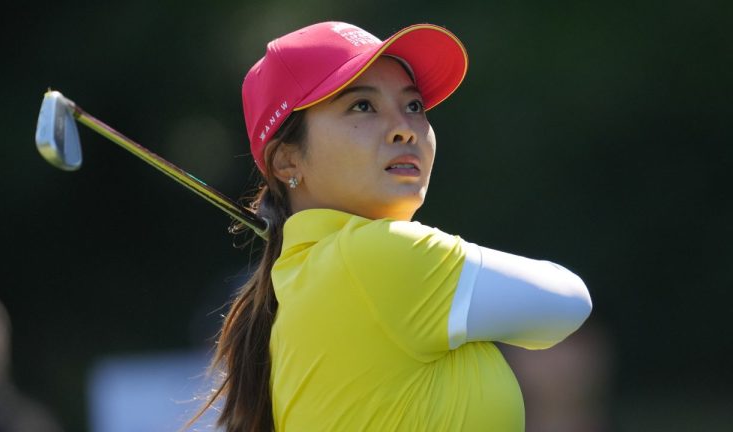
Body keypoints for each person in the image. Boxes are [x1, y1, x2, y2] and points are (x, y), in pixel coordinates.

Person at [192, 21, 592, 431]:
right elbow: (568, 303)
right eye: (362, 106)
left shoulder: (304, 279)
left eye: (414, 106)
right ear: (287, 161)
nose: (404, 128)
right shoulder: (374, 256)